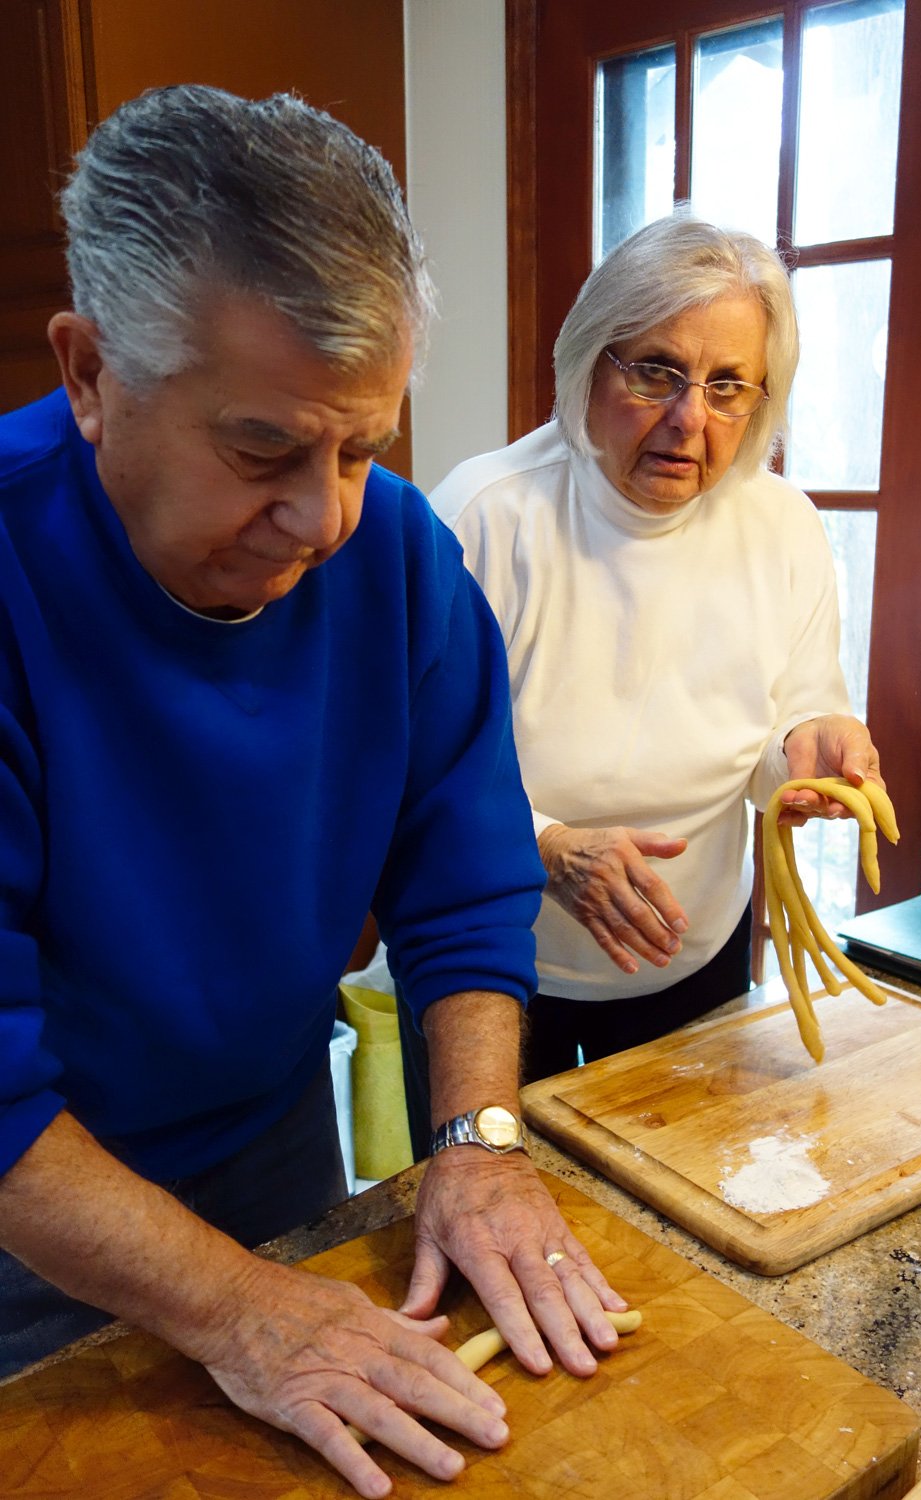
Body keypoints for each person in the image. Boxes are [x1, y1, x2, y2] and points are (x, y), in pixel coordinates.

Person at [0, 85, 628, 1499]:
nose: (325, 518)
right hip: (27, 1225)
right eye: (264, 451)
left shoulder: (395, 558)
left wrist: (475, 1147)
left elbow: (464, 889)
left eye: (362, 447)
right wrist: (237, 1315)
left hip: (277, 1143)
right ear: (90, 371)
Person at [414, 211, 885, 1106]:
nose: (687, 419)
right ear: (590, 364)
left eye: (727, 386)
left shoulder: (780, 524)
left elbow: (786, 718)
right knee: (502, 1219)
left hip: (693, 949)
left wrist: (802, 757)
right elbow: (409, 772)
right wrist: (547, 847)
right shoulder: (484, 516)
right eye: (657, 371)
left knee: (678, 1211)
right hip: (497, 956)